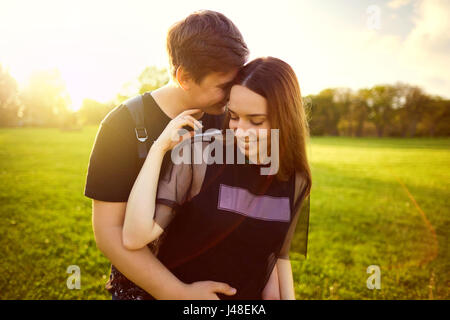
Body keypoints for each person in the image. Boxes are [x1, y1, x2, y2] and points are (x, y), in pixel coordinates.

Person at [84, 10, 251, 300]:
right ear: (183, 77)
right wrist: (177, 292)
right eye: (223, 86)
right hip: (144, 288)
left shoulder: (229, 119)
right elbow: (110, 232)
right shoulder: (122, 125)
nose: (231, 95)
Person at [123, 57, 312, 300]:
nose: (240, 130)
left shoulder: (296, 179)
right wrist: (159, 148)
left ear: (285, 119)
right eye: (234, 116)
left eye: (256, 121)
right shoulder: (201, 154)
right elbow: (134, 236)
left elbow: (278, 257)